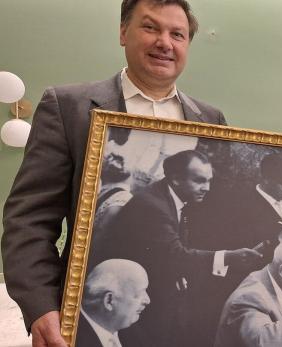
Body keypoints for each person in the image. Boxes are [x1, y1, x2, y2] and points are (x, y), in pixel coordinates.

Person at [2, 1, 229, 346]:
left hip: (175, 318)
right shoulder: (67, 107)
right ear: (123, 32)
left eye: (177, 34)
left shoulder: (211, 121)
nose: (164, 42)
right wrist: (40, 308)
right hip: (89, 315)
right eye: (150, 27)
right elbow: (29, 222)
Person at [100, 150, 260, 346]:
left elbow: (168, 251)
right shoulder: (153, 206)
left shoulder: (171, 198)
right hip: (128, 301)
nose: (207, 188)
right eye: (200, 181)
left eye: (209, 181)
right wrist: (227, 257)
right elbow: (174, 254)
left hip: (148, 292)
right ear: (175, 179)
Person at [76, 259, 150, 347]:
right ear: (109, 300)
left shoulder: (136, 336)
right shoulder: (71, 337)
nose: (147, 300)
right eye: (139, 293)